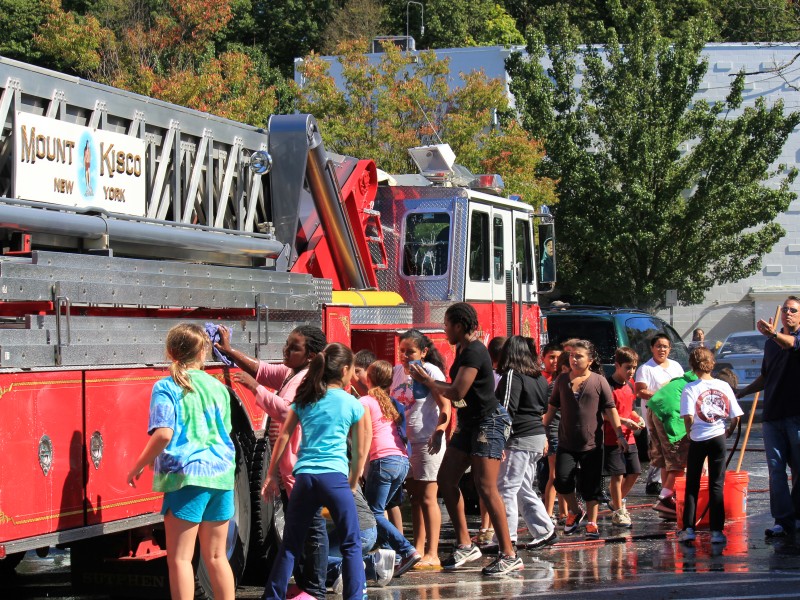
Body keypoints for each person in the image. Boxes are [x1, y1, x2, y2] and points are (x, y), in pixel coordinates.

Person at [214, 325, 329, 598]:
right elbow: (262, 370)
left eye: (294, 347)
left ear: (311, 355)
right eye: (287, 344)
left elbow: (289, 412)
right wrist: (230, 351)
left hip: (303, 466)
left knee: (312, 528)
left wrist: (257, 390)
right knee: (297, 526)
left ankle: (314, 588)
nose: (286, 350)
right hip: (290, 469)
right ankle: (303, 583)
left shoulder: (307, 380)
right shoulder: (294, 373)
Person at [127, 323, 235, 600]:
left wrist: (139, 464)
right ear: (203, 352)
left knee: (180, 559)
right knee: (216, 556)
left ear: (171, 351)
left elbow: (164, 434)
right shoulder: (218, 387)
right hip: (221, 475)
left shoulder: (167, 386)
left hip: (187, 478)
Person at [410, 302, 519, 575]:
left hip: (489, 422)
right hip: (470, 422)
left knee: (485, 486)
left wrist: (428, 382)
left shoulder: (474, 351)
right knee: (446, 479)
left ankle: (509, 553)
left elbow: (457, 392)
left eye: (447, 324)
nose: (444, 329)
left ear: (459, 325)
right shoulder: (462, 349)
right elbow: (460, 398)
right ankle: (465, 544)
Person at [262, 343, 369, 600]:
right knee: (351, 544)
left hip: (305, 479)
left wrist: (270, 474)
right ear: (344, 370)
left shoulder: (305, 399)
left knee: (290, 545)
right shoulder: (353, 404)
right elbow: (361, 450)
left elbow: (284, 436)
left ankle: (272, 597)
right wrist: (353, 481)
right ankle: (355, 597)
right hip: (335, 478)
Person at [543, 339, 628, 540]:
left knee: (591, 486)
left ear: (589, 360)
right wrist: (542, 431)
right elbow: (551, 409)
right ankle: (574, 510)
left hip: (592, 443)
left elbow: (611, 409)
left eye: (579, 356)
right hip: (566, 442)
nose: (573, 359)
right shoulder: (562, 381)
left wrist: (620, 435)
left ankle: (592, 523)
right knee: (562, 481)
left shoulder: (599, 381)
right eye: (572, 355)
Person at [738, 296, 800, 538]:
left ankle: (796, 515)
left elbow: (791, 344)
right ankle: (783, 522)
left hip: (797, 415)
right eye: (785, 309)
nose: (788, 313)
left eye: (793, 310)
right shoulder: (770, 344)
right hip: (773, 416)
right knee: (776, 470)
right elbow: (766, 376)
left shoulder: (784, 339)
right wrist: (742, 392)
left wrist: (773, 334)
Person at [391, 329, 449, 568]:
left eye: (410, 351)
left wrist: (440, 431)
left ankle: (433, 552)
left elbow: (446, 404)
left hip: (427, 441)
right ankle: (418, 548)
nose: (404, 356)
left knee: (428, 498)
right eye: (401, 351)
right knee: (414, 498)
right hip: (405, 443)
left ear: (423, 352)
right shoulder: (396, 371)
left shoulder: (432, 372)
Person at [360, 360, 421, 576]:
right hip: (401, 461)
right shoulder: (393, 403)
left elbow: (363, 435)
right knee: (381, 508)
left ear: (369, 378)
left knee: (373, 512)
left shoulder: (365, 401)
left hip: (383, 461)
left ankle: (406, 549)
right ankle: (389, 555)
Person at [495, 336, 557, 549]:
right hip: (535, 437)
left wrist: (500, 440)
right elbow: (541, 409)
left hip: (519, 438)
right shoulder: (539, 377)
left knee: (506, 489)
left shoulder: (513, 374)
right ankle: (544, 530)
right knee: (522, 487)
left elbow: (505, 409)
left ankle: (506, 538)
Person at [677, 347, 743, 545]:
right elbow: (736, 416)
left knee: (692, 484)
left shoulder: (690, 388)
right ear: (711, 364)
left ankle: (688, 529)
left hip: (698, 438)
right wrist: (728, 430)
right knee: (716, 484)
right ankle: (716, 532)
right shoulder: (723, 385)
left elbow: (688, 416)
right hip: (718, 438)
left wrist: (689, 432)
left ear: (692, 366)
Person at [635, 334, 685, 498]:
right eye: (658, 346)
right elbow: (641, 391)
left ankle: (669, 485)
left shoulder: (676, 366)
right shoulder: (646, 368)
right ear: (652, 348)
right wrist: (663, 395)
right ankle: (654, 483)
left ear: (670, 349)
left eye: (665, 346)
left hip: (675, 417)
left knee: (673, 450)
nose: (661, 349)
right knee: (659, 449)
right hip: (655, 415)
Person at [646, 369, 697, 520]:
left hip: (655, 408)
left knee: (665, 461)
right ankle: (665, 499)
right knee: (678, 460)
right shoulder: (703, 384)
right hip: (670, 412)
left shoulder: (684, 379)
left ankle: (667, 503)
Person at [603, 347, 644, 528]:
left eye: (634, 367)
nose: (631, 371)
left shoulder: (630, 385)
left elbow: (630, 408)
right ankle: (619, 511)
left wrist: (637, 417)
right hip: (612, 437)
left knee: (634, 472)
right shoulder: (607, 386)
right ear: (617, 365)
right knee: (617, 474)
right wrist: (625, 421)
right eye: (628, 367)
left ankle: (616, 502)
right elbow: (604, 414)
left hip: (629, 436)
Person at [543, 349, 570, 524]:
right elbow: (547, 411)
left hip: (563, 431)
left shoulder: (565, 382)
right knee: (554, 475)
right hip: (554, 431)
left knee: (563, 474)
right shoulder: (557, 384)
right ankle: (548, 513)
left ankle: (564, 513)